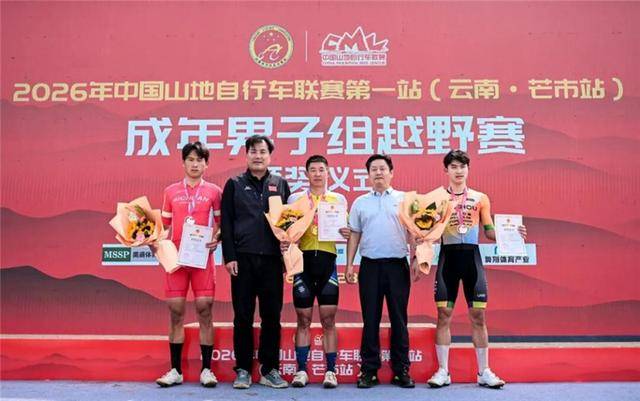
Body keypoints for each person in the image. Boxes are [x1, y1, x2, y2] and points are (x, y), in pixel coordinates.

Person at [425, 150, 527, 389]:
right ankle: (443, 371)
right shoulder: (438, 199)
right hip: (448, 259)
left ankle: (483, 371)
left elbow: (489, 231)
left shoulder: (480, 198)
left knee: (478, 316)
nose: (458, 171)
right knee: (443, 315)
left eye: (462, 166)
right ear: (446, 170)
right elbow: (428, 230)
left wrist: (512, 234)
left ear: (468, 169)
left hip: (472, 259)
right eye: (453, 167)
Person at [220, 135, 291, 389]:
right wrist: (229, 256)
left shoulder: (280, 184)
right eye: (253, 151)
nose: (258, 156)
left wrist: (287, 250)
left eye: (262, 151)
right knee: (243, 316)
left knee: (272, 316)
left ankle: (269, 369)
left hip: (272, 260)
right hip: (243, 259)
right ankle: (243, 369)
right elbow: (226, 222)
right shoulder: (234, 184)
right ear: (246, 155)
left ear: (270, 156)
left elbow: (290, 221)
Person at [345, 154, 417, 389]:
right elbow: (354, 234)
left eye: (382, 168)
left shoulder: (404, 199)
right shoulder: (360, 203)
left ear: (391, 173)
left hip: (397, 265)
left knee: (399, 319)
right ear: (368, 175)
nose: (378, 173)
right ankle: (369, 370)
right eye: (373, 169)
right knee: (370, 318)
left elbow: (415, 232)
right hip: (370, 266)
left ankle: (401, 370)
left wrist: (417, 258)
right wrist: (349, 264)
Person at [155, 141, 222, 388]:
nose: (195, 164)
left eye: (199, 160)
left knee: (205, 310)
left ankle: (207, 370)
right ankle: (175, 370)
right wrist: (154, 242)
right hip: (177, 259)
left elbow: (221, 224)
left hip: (202, 258)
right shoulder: (170, 191)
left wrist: (217, 238)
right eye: (190, 160)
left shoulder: (214, 191)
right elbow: (163, 227)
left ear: (206, 164)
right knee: (175, 312)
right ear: (183, 163)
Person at [285, 155, 350, 389]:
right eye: (313, 170)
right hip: (302, 265)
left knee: (328, 320)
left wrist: (346, 231)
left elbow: (346, 229)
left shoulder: (338, 199)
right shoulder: (296, 199)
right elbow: (286, 228)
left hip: (327, 264)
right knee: (303, 319)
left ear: (328, 172)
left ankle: (331, 371)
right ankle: (301, 370)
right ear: (307, 174)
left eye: (321, 170)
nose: (317, 174)